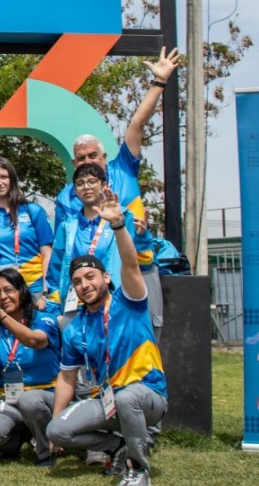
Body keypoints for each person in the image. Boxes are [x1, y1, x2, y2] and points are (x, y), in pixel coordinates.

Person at [46, 189, 166, 486]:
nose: (85, 285)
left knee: (127, 398)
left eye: (90, 277)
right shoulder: (75, 328)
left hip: (147, 396)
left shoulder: (130, 302)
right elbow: (66, 378)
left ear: (106, 279)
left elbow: (131, 265)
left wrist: (118, 225)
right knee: (57, 430)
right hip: (108, 401)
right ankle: (118, 446)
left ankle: (137, 470)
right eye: (77, 282)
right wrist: (56, 425)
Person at [55, 49, 178, 336]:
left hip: (136, 268)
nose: (87, 162)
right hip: (92, 284)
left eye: (92, 155)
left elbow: (136, 125)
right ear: (74, 164)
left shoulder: (123, 169)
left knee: (141, 339)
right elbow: (63, 247)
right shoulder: (67, 195)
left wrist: (158, 83)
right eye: (81, 158)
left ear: (104, 155)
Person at [0, 267, 62, 466]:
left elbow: (35, 341)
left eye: (9, 290)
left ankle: (46, 452)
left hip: (46, 396)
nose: (3, 297)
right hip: (11, 398)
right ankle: (17, 442)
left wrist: (1, 315)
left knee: (30, 401)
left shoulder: (43, 318)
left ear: (21, 292)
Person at [45, 163, 151, 329]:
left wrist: (143, 237)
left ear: (104, 185)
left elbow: (141, 262)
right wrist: (53, 306)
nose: (86, 187)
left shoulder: (122, 217)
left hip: (114, 303)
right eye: (80, 183)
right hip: (76, 304)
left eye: (92, 181)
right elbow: (55, 269)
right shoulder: (67, 225)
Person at [0, 157, 54, 311]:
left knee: (34, 335)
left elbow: (47, 254)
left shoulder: (33, 211)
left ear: (12, 179)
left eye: (3, 177)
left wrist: (47, 293)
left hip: (33, 289)